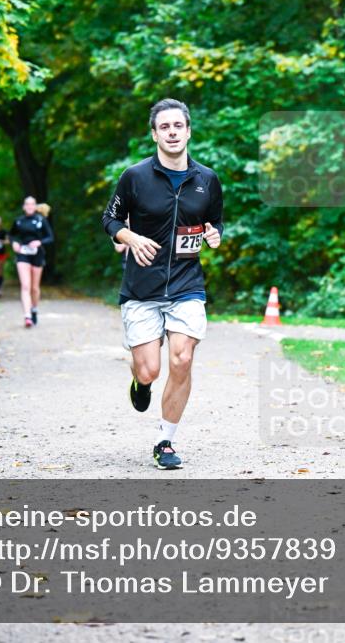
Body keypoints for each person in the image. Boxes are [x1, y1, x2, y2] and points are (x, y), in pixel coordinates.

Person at [101, 98, 224, 470]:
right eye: (164, 127)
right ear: (155, 134)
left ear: (188, 131)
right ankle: (140, 382)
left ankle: (165, 440)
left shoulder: (207, 179)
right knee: (149, 369)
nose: (172, 132)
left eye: (178, 126)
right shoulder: (135, 176)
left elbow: (214, 222)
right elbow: (109, 219)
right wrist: (129, 237)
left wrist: (214, 235)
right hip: (142, 288)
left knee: (183, 359)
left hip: (187, 284)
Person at [10, 196, 54, 328]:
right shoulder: (18, 221)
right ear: (24, 207)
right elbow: (11, 235)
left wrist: (39, 242)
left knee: (34, 288)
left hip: (37, 255)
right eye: (27, 204)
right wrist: (14, 243)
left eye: (32, 204)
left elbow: (50, 237)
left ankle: (34, 309)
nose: (29, 207)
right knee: (25, 286)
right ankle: (27, 315)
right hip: (23, 254)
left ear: (35, 207)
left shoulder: (41, 220)